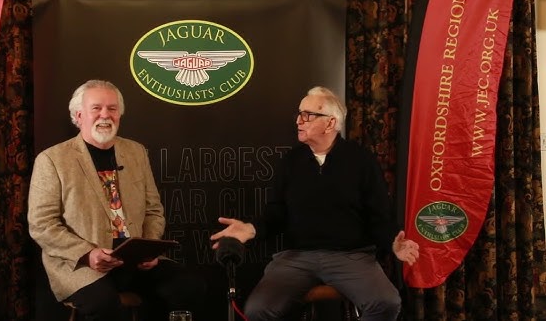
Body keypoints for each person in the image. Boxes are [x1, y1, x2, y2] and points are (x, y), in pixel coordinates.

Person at [210, 86, 419, 321]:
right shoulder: (290, 162)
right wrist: (251, 229)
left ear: (330, 123)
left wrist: (393, 243)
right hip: (296, 258)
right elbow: (275, 214)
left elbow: (379, 217)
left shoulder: (361, 161)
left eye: (307, 115)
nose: (299, 121)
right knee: (258, 310)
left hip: (350, 257)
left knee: (386, 303)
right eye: (299, 114)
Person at [28, 79, 205, 321]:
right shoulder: (52, 160)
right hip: (82, 265)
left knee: (188, 287)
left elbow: (154, 210)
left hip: (134, 262)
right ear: (78, 115)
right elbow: (42, 224)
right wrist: (87, 253)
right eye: (96, 108)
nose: (105, 115)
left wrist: (149, 248)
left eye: (112, 109)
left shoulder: (136, 152)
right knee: (105, 305)